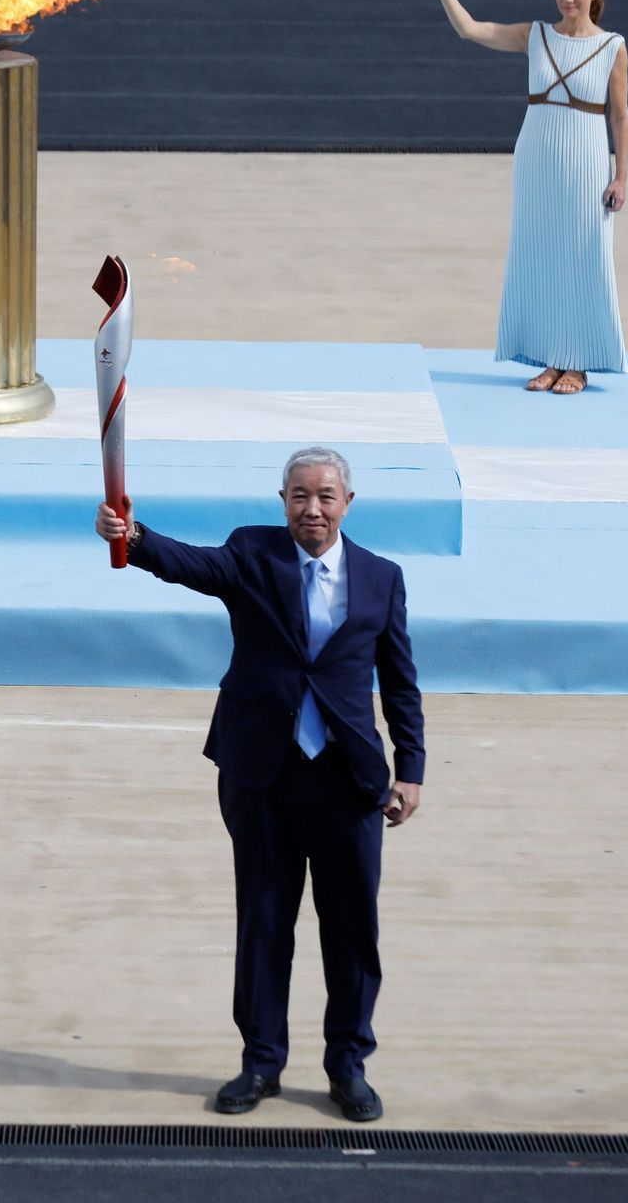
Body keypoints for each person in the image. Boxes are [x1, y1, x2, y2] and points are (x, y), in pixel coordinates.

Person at [95, 447, 424, 1120]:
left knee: (351, 931)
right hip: (262, 774)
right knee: (265, 923)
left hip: (347, 781)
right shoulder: (252, 554)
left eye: (325, 496)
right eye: (300, 496)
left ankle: (347, 1067)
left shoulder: (381, 578)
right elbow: (191, 565)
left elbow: (399, 681)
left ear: (348, 503)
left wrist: (410, 769)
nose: (312, 509)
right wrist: (135, 536)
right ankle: (261, 1063)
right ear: (283, 502)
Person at [423, 0, 628, 395]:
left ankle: (578, 363)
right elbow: (471, 29)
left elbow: (620, 116)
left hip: (587, 163)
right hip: (536, 161)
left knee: (583, 257)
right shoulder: (535, 35)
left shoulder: (612, 46)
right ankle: (552, 359)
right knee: (539, 257)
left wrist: (622, 176)